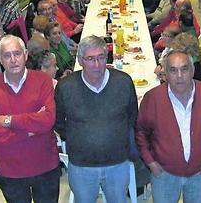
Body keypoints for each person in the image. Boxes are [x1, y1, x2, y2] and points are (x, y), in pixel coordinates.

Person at [136, 49, 201, 203]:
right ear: (165, 73)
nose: (179, 76)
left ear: (192, 70)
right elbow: (141, 132)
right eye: (173, 70)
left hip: (200, 174)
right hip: (164, 175)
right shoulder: (153, 98)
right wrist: (151, 162)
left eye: (184, 69)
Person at [55, 35, 138, 202]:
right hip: (81, 165)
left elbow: (132, 117)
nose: (97, 64)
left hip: (117, 163)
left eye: (101, 57)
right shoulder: (66, 87)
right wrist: (81, 137)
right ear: (80, 60)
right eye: (90, 59)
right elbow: (58, 123)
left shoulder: (123, 82)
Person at [0, 35, 60, 203]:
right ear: (1, 60)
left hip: (45, 166)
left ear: (25, 55)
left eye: (17, 53)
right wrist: (30, 131)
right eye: (7, 55)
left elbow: (48, 120)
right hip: (9, 171)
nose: (13, 60)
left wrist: (10, 121)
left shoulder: (43, 81)